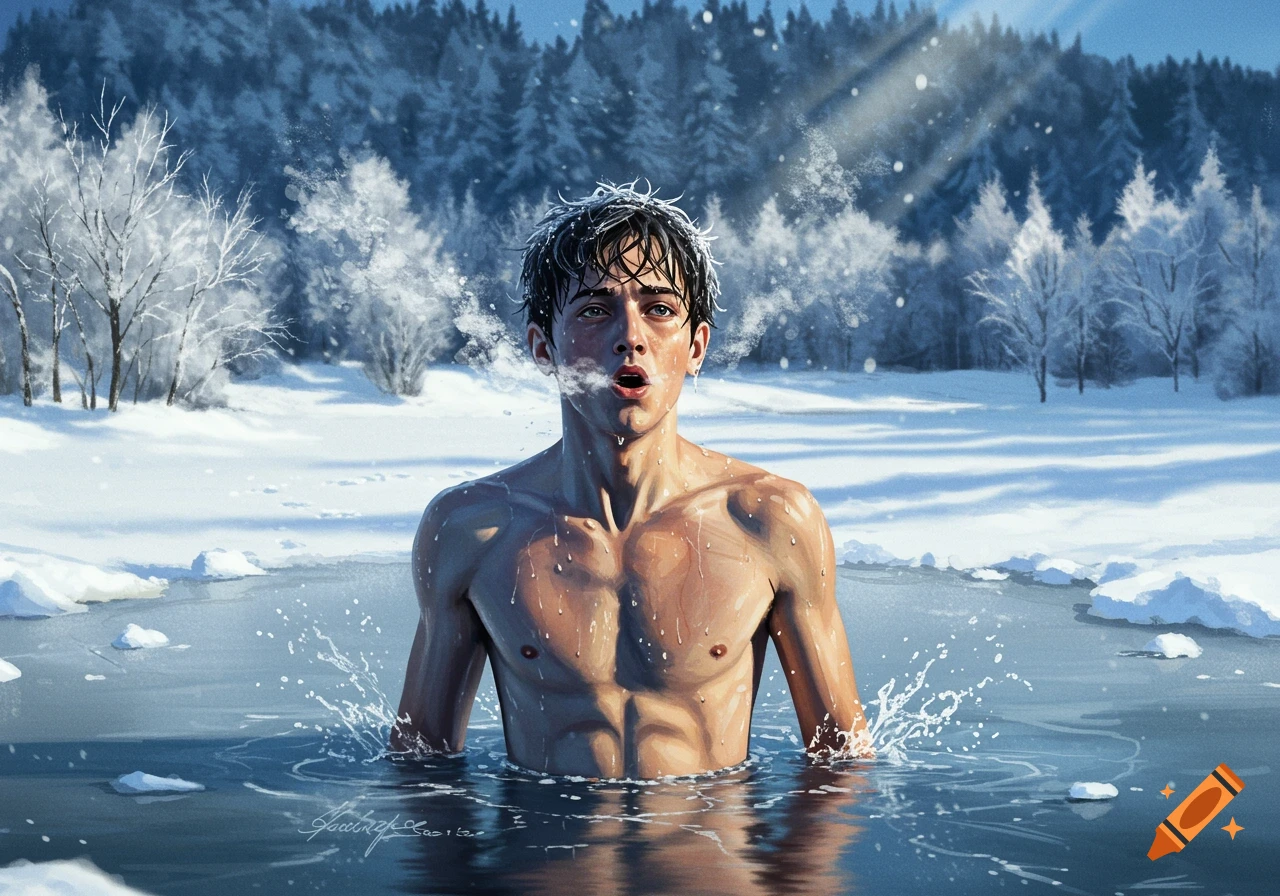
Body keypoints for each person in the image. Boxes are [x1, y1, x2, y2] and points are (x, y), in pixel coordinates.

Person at [390, 183, 874, 777]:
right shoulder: (474, 530)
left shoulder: (768, 522)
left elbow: (842, 768)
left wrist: (794, 873)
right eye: (595, 310)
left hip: (713, 862)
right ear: (544, 348)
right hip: (544, 866)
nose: (631, 336)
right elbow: (422, 769)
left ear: (696, 346)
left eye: (659, 309)